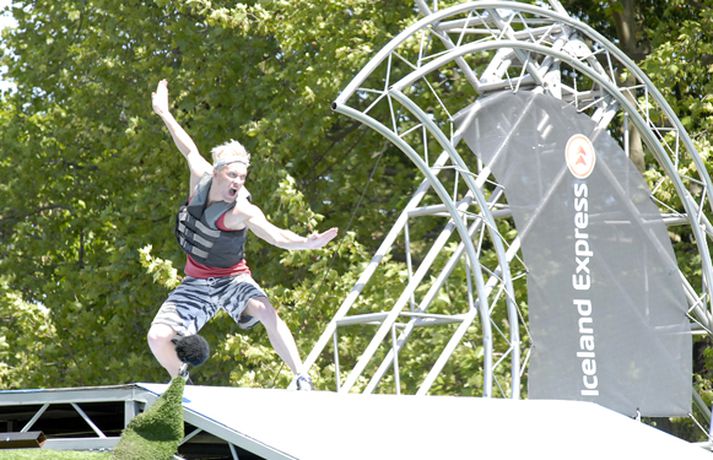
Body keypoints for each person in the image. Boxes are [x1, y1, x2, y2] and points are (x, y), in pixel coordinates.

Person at [147, 79, 338, 390]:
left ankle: (301, 376)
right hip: (195, 282)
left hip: (232, 279)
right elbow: (188, 147)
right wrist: (164, 112)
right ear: (217, 172)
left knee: (264, 309)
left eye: (243, 177)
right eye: (232, 175)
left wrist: (306, 243)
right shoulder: (200, 176)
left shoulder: (241, 210)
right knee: (157, 338)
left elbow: (275, 236)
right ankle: (181, 384)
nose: (237, 182)